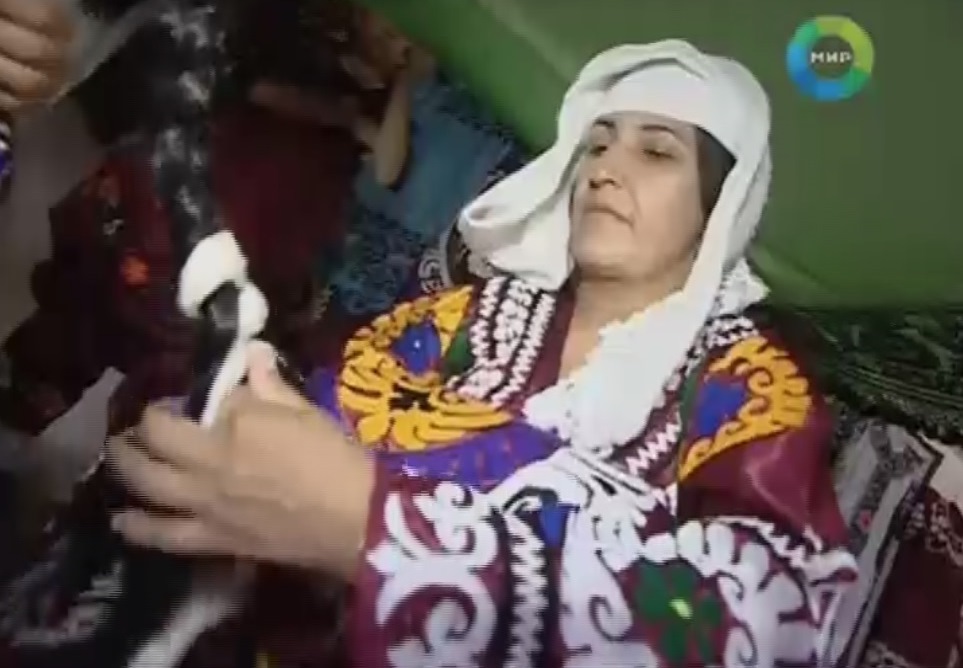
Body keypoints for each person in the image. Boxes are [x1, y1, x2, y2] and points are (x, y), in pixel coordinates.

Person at [100, 39, 856, 667]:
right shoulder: (473, 314)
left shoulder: (749, 384)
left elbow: (767, 628)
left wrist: (373, 529)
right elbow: (331, 399)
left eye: (656, 152)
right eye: (596, 144)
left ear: (718, 207)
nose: (603, 169)